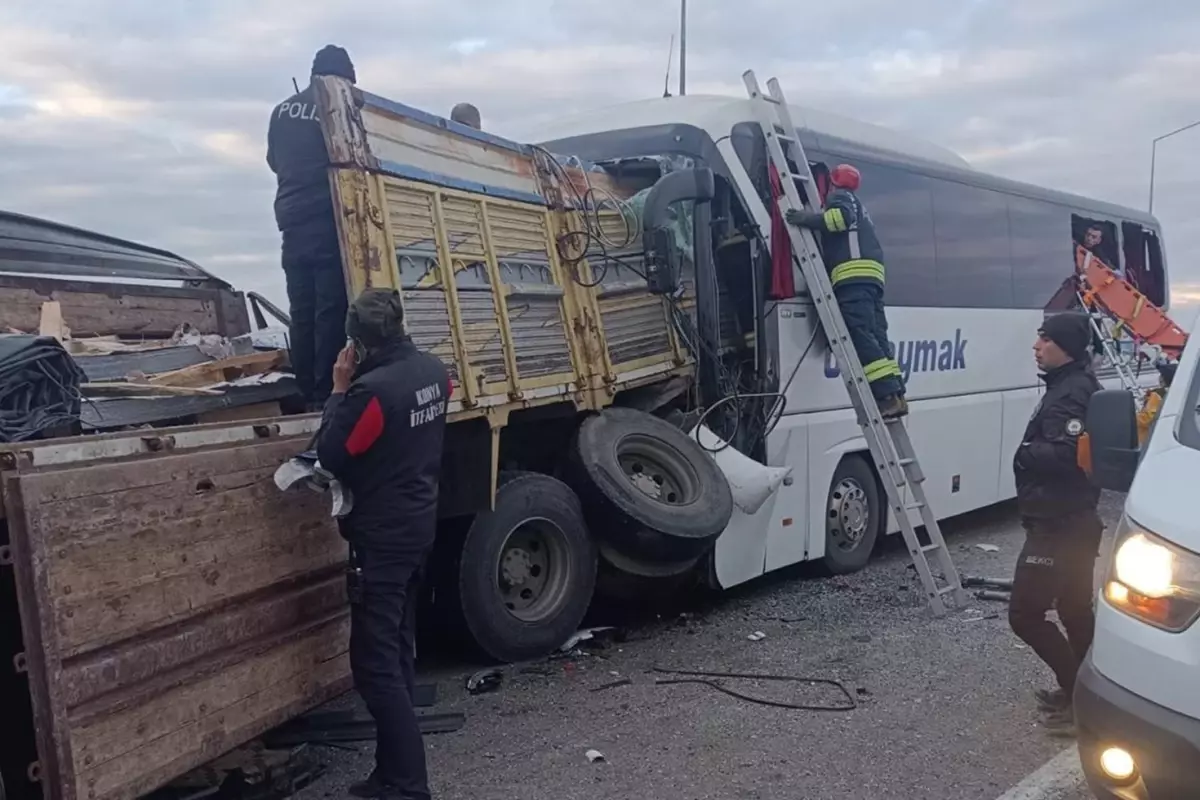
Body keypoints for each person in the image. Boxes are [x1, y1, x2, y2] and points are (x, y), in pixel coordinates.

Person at [315, 289, 450, 800]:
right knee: (395, 650)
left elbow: (333, 454)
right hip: (418, 525)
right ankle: (389, 773)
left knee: (374, 666)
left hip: (383, 539)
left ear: (358, 343)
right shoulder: (435, 372)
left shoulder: (372, 392)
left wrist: (337, 390)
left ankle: (409, 786)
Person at [1009, 311, 1103, 737]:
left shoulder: (1072, 393)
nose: (1036, 345)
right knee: (1074, 612)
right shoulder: (1069, 385)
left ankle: (1081, 702)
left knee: (1026, 615)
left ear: (1064, 345)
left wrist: (1025, 454)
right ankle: (1086, 698)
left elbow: (1068, 455)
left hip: (1060, 525)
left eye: (1044, 339)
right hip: (1070, 521)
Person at [267, 45, 356, 409]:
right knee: (330, 308)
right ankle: (325, 393)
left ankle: (304, 389)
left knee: (301, 310)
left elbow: (274, 161)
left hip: (290, 219)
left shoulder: (281, 110)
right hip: (324, 216)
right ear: (341, 77)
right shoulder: (335, 106)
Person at [785, 163, 906, 417]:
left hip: (853, 277)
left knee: (859, 333)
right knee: (877, 336)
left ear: (833, 181)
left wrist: (805, 219)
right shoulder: (859, 204)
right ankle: (896, 394)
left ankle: (885, 395)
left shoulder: (840, 197)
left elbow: (838, 220)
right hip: (871, 278)